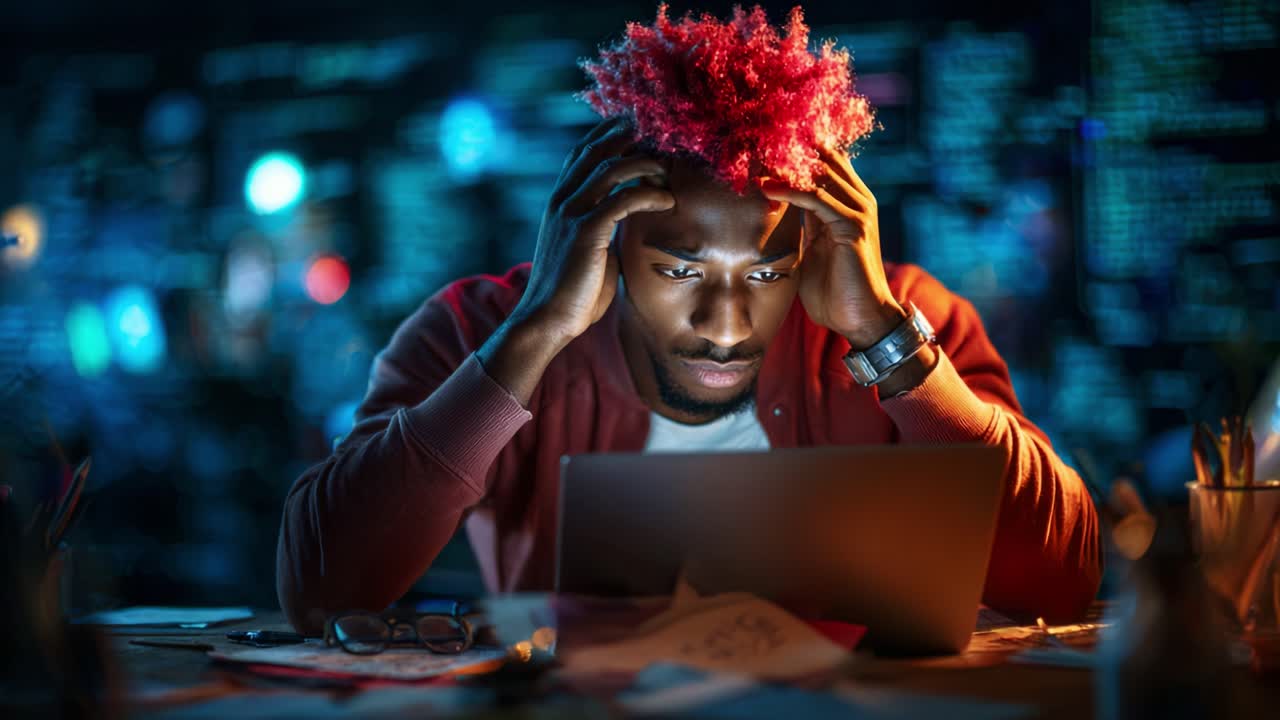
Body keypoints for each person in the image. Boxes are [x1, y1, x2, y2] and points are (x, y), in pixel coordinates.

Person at [276, 5, 1100, 634]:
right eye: (679, 268)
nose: (728, 322)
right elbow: (321, 587)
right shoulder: (480, 329)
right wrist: (531, 338)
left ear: (812, 248)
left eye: (768, 271)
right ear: (604, 235)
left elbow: (1063, 577)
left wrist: (887, 341)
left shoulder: (908, 323)